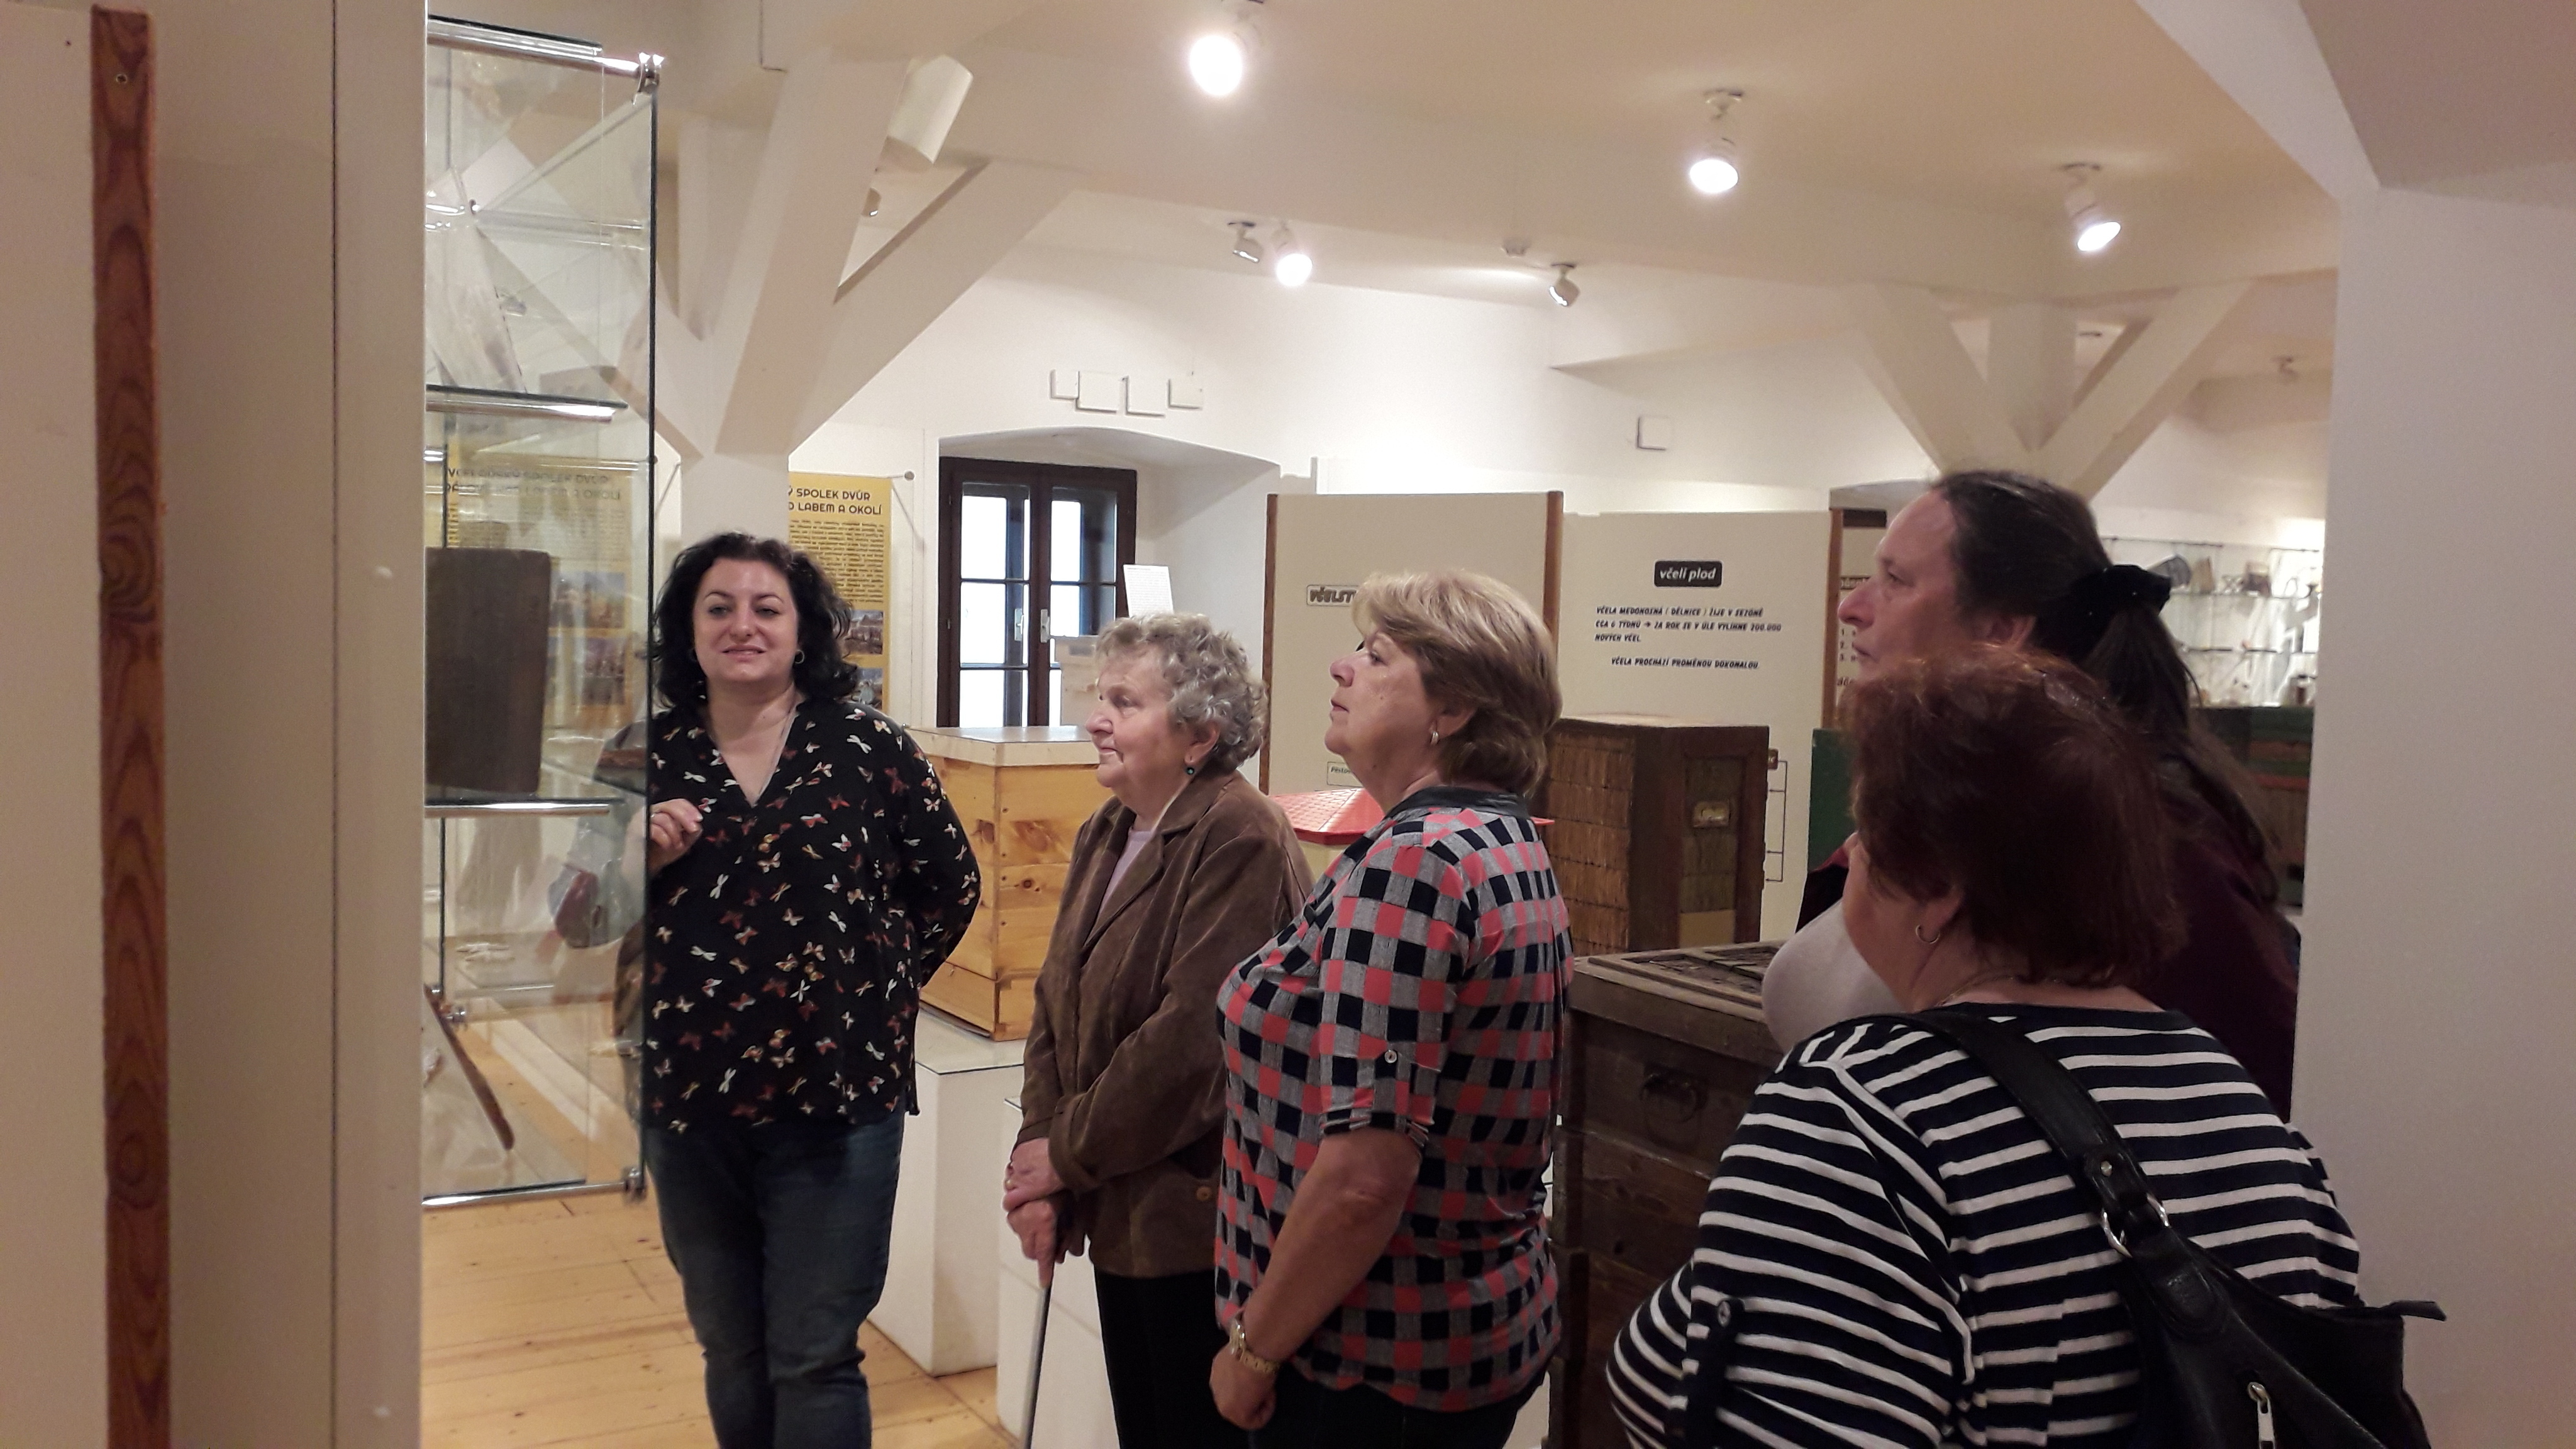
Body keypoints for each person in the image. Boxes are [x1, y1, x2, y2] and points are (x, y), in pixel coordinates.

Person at [1612, 648, 2365, 1448]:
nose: (1852, 856)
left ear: (1936, 886)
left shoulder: (1857, 1119)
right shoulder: (2238, 1106)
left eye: (1865, 831)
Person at [1768, 469, 2302, 1111]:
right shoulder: (1954, 797)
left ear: (1999, 631)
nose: (1851, 607)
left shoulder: (2142, 835)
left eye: (1896, 580)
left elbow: (2238, 1096)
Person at [1209, 570, 1570, 1448]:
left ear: (1453, 707)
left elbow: (1364, 1178)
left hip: (1369, 1362)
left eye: (1376, 657)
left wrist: (1253, 1350)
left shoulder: (1414, 864)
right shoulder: (1500, 838)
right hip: (1467, 1337)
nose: (1342, 667)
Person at [641, 533, 980, 1449]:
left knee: (816, 1354)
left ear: (803, 630)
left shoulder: (869, 746)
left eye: (767, 608)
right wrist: (633, 859)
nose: (742, 626)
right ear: (688, 628)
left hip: (838, 1099)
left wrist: (873, 996)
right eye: (719, 607)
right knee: (731, 1347)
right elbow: (577, 917)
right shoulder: (647, 753)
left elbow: (950, 886)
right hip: (689, 1099)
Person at [1001, 613, 1311, 1448]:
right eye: (1102, 698)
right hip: (1116, 1200)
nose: (1095, 720)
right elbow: (1055, 1003)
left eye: (1125, 703)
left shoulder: (1241, 832)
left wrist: (1063, 1154)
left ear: (1200, 734)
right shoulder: (1108, 828)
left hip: (1198, 1225)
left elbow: (1192, 1044)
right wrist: (1040, 1156)